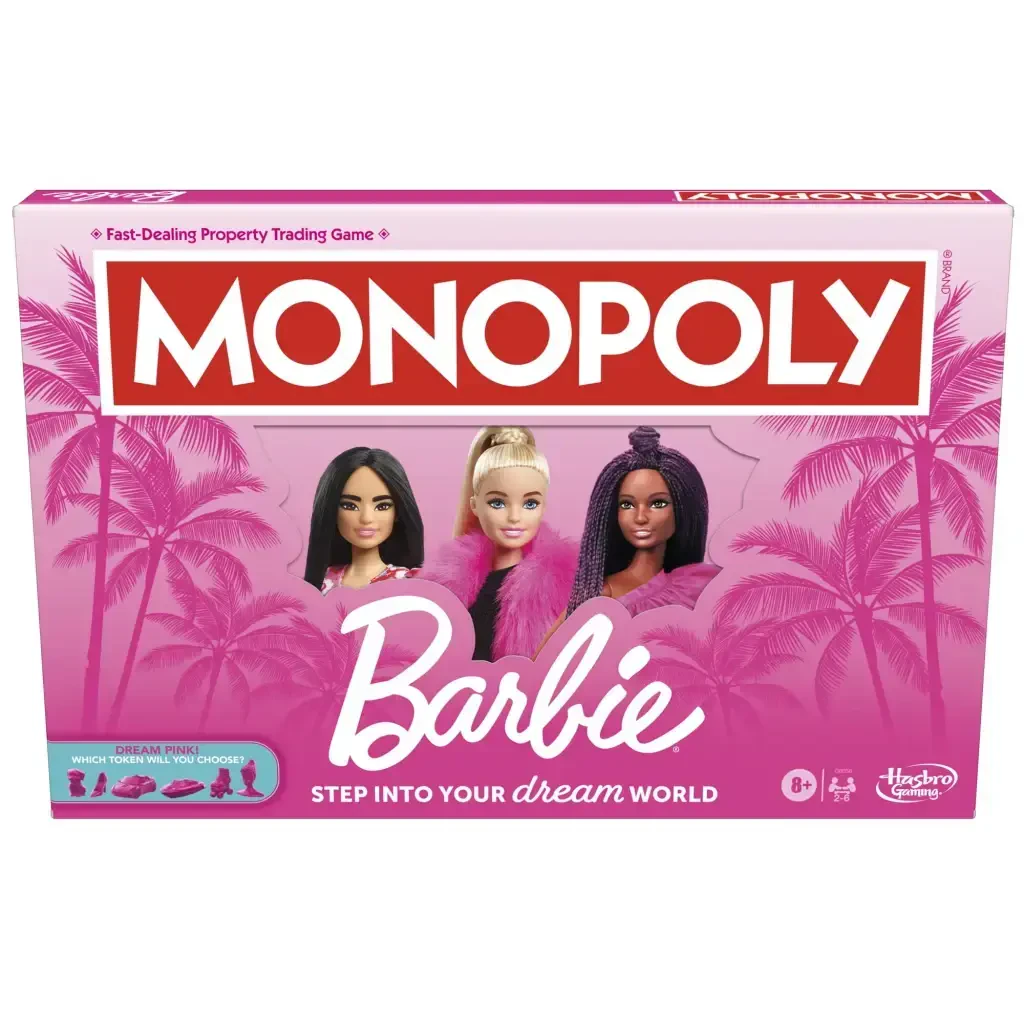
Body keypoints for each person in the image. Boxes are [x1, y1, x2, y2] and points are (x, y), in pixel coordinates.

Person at [420, 427, 576, 660]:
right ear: (475, 505)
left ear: (543, 507)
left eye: (530, 504)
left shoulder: (560, 586)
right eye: (497, 503)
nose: (514, 517)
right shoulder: (444, 585)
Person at [303, 447, 424, 592]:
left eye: (382, 506)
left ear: (397, 512)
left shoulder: (411, 584)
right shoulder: (321, 583)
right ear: (332, 510)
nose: (366, 518)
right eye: (350, 506)